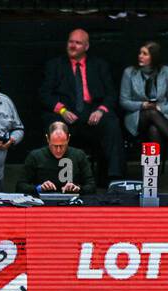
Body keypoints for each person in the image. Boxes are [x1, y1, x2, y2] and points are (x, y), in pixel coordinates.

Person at [39, 28, 124, 186]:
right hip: (66, 112)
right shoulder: (55, 65)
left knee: (112, 124)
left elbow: (111, 93)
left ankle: (114, 178)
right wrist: (62, 110)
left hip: (92, 112)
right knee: (55, 126)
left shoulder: (99, 65)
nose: (73, 45)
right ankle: (53, 179)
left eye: (78, 43)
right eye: (71, 41)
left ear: (86, 46)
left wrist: (101, 110)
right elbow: (44, 94)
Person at [120, 40, 168, 158]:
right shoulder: (129, 72)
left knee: (154, 130)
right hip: (137, 117)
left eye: (145, 54)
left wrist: (159, 108)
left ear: (154, 57)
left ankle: (152, 175)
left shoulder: (167, 72)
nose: (140, 56)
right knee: (150, 111)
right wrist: (142, 105)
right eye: (140, 53)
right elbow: (124, 101)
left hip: (162, 117)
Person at [18, 121, 96, 196]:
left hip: (72, 204)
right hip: (43, 204)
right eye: (54, 145)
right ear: (47, 139)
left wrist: (78, 189)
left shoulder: (79, 155)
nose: (58, 150)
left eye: (62, 145)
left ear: (68, 139)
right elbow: (20, 186)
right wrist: (39, 188)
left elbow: (92, 186)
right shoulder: (35, 156)